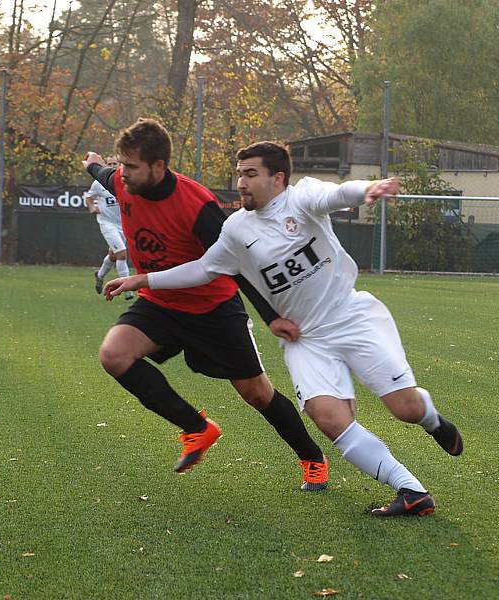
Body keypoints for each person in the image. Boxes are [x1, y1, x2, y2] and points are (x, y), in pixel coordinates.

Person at [105, 141, 464, 517]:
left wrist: (367, 189)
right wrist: (144, 279)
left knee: (404, 408)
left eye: (250, 174)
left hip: (351, 317)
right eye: (239, 174)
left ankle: (432, 420)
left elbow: (338, 194)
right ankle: (411, 490)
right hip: (306, 339)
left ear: (277, 178)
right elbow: (204, 269)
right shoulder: (235, 229)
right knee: (328, 419)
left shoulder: (302, 197)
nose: (241, 182)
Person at [82, 120, 328, 490]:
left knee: (257, 394)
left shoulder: (197, 205)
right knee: (114, 355)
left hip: (212, 309)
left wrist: (271, 315)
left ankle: (313, 458)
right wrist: (92, 165)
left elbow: (239, 261)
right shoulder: (120, 180)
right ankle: (197, 428)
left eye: (131, 166)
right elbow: (104, 174)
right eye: (121, 164)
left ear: (159, 166)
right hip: (159, 302)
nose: (123, 173)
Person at [84, 155, 133, 300]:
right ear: (105, 165)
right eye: (109, 163)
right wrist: (92, 207)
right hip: (107, 223)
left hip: (123, 224)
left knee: (114, 255)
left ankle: (99, 275)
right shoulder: (99, 183)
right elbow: (88, 197)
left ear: (120, 165)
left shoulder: (124, 182)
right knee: (122, 254)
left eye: (115, 163)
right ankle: (127, 290)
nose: (112, 165)